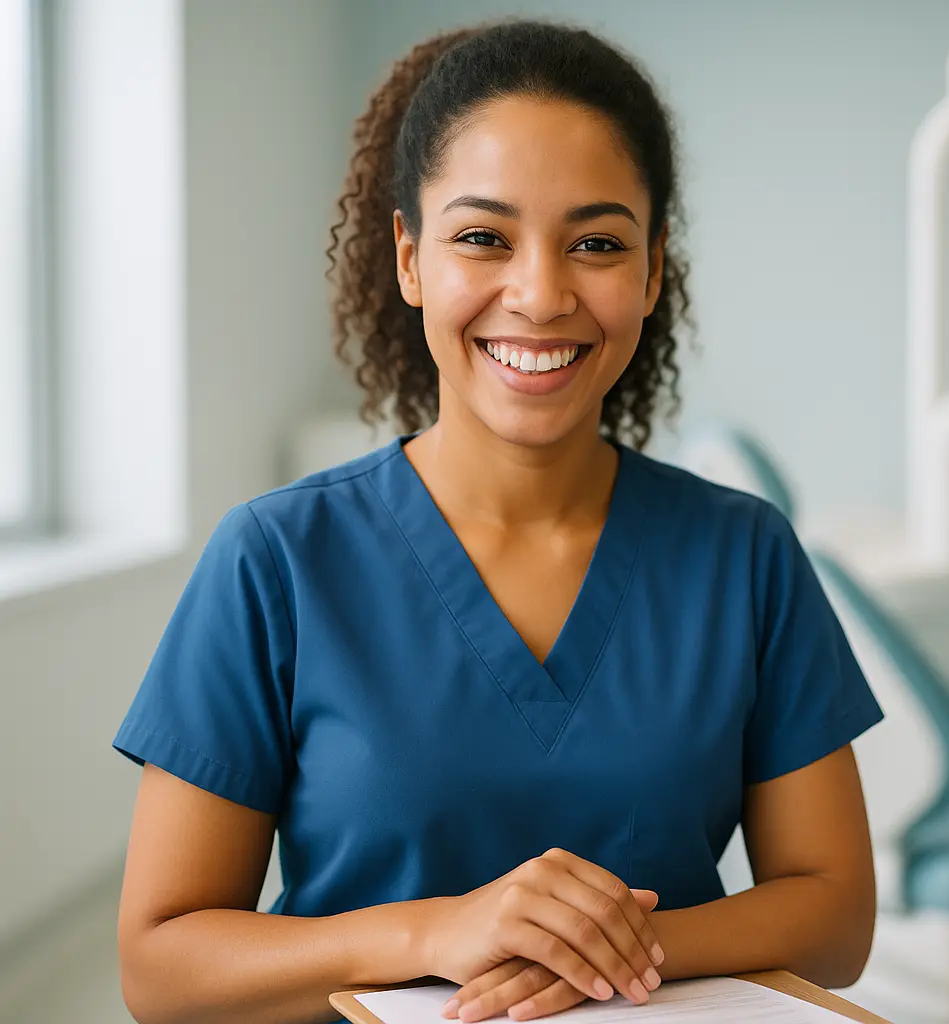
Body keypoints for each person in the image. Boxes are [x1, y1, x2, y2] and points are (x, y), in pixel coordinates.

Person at [113, 20, 883, 1024]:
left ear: (652, 273)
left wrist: (602, 951)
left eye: (597, 244)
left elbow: (837, 916)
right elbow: (160, 969)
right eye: (483, 236)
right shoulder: (274, 560)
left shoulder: (744, 555)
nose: (540, 292)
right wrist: (437, 933)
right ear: (410, 259)